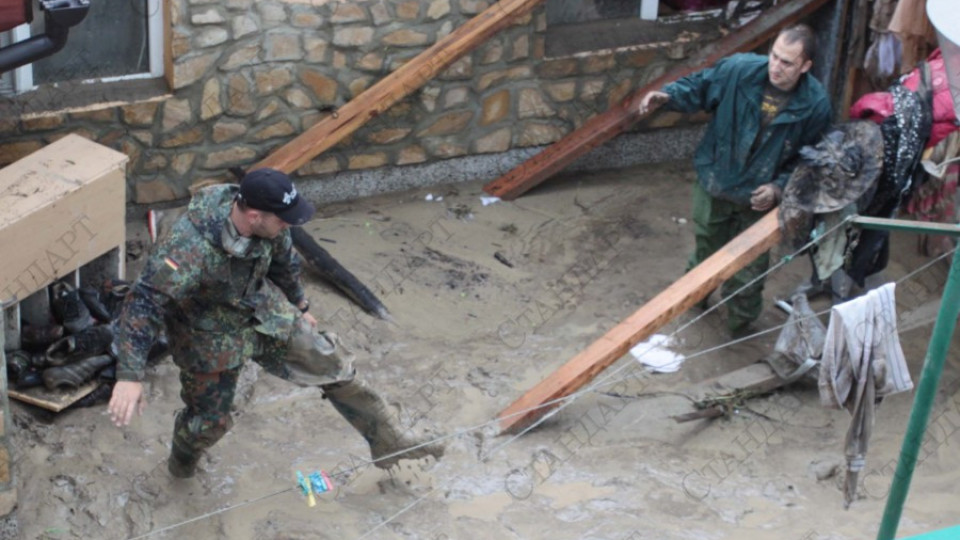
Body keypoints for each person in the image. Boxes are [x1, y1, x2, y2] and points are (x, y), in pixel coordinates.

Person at [107, 168, 443, 478]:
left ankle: (388, 441)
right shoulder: (186, 250)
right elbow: (143, 305)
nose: (288, 226)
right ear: (254, 216)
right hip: (207, 337)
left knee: (332, 362)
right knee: (209, 423)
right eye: (283, 221)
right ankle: (180, 468)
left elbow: (284, 262)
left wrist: (300, 303)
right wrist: (130, 376)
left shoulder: (274, 224)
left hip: (262, 312)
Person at [638, 23, 832, 337]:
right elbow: (699, 86)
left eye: (787, 63)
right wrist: (669, 96)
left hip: (758, 201)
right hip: (717, 182)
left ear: (806, 66)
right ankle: (694, 307)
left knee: (748, 272)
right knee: (706, 256)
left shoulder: (816, 105)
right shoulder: (738, 70)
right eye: (774, 56)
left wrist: (778, 188)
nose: (776, 67)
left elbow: (811, 161)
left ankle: (738, 331)